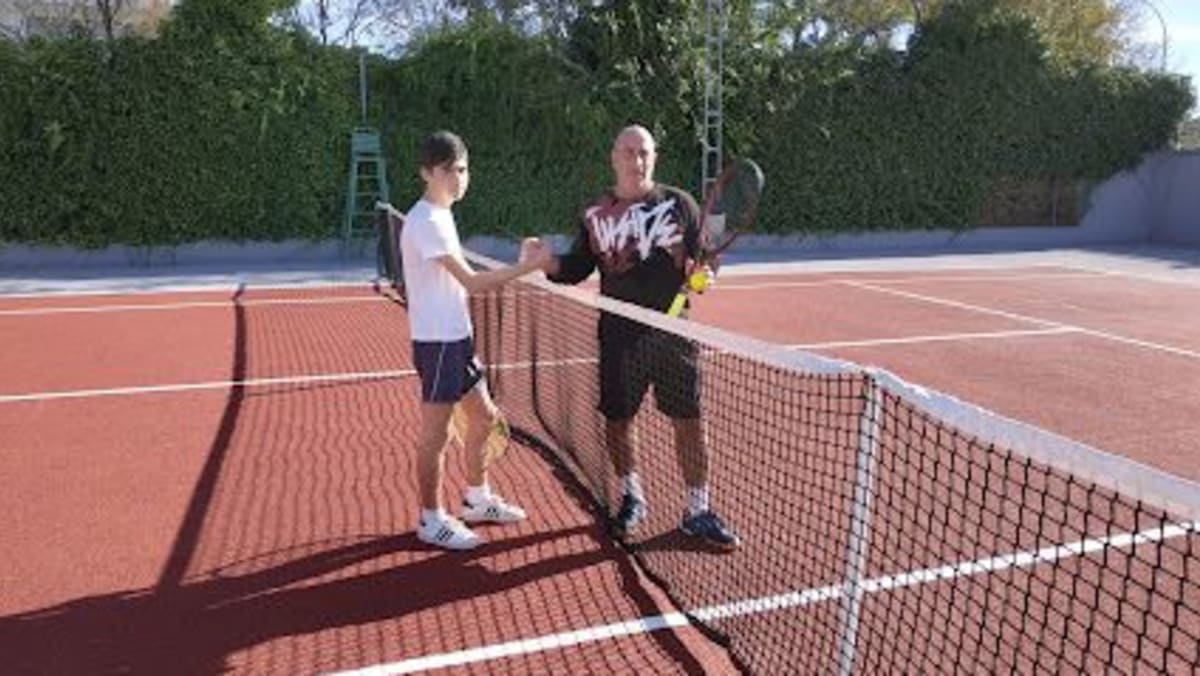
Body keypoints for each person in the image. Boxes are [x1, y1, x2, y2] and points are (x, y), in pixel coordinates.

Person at [540, 125, 740, 550]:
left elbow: (704, 262)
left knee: (688, 420)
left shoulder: (679, 204)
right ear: (614, 157)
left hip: (673, 333)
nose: (637, 160)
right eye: (629, 152)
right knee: (618, 420)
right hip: (618, 334)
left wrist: (703, 276)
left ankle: (697, 510)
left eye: (644, 152)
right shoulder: (595, 210)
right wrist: (547, 262)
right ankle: (633, 496)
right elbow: (577, 266)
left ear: (655, 157)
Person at [395, 130, 551, 551]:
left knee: (483, 418)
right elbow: (473, 282)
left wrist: (520, 264)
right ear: (427, 173)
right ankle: (430, 519)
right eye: (448, 171)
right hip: (438, 343)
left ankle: (477, 499)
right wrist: (528, 268)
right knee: (437, 436)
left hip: (457, 339)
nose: (458, 178)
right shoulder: (426, 221)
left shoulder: (442, 214)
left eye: (462, 169)